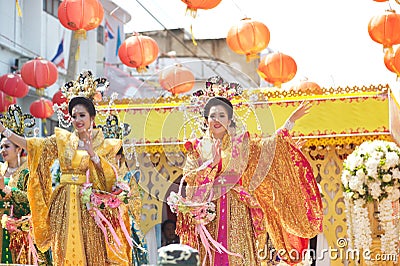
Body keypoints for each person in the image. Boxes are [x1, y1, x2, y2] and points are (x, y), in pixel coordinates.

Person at [171, 77, 323, 266]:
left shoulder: (240, 144)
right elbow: (190, 177)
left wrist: (289, 122)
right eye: (213, 115)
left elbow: (269, 149)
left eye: (222, 116)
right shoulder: (196, 146)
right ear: (205, 119)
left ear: (229, 120)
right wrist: (211, 163)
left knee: (237, 257)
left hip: (238, 213)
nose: (217, 120)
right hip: (207, 215)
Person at [0, 70, 132, 265]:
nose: (77, 120)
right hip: (62, 203)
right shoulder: (63, 140)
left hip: (88, 206)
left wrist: (93, 155)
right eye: (74, 116)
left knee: (92, 250)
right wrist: (6, 132)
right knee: (63, 249)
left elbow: (110, 179)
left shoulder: (104, 144)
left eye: (82, 115)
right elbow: (35, 147)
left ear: (92, 117)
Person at [0, 104, 52, 265]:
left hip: (20, 233)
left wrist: (6, 189)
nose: (3, 150)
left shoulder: (27, 172)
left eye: (7, 146)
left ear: (18, 150)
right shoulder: (0, 169)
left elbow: (32, 201)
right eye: (1, 146)